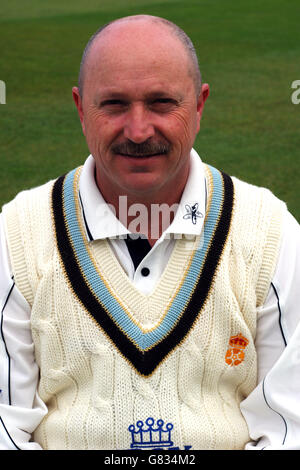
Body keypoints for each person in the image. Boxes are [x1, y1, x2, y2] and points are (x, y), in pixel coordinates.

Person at [0, 15, 300, 451]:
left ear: (199, 106)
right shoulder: (16, 234)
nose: (138, 131)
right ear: (81, 109)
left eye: (161, 103)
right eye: (115, 104)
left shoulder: (271, 231)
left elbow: (290, 426)